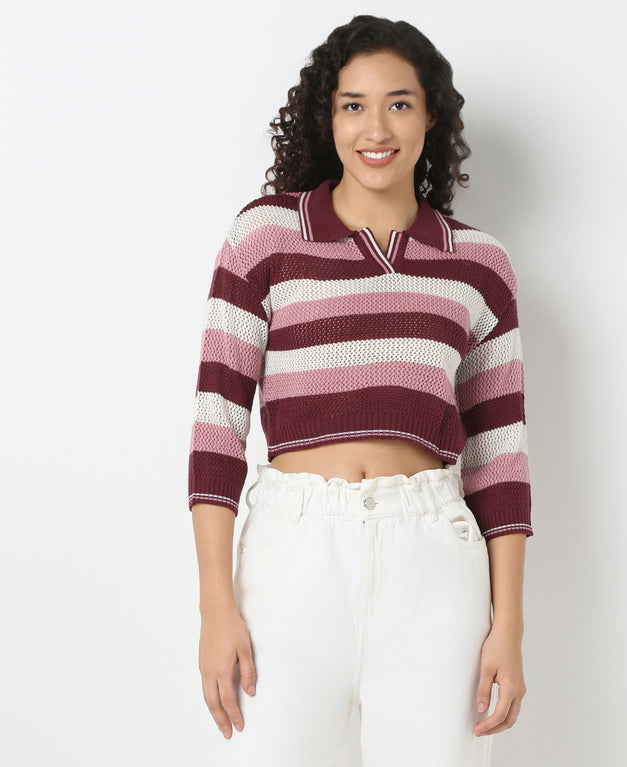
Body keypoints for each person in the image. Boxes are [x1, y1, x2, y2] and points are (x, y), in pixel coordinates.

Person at [188, 14, 533, 767]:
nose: (376, 128)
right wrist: (216, 604)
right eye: (353, 105)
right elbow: (217, 427)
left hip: (433, 572)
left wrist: (506, 626)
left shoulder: (479, 265)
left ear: (431, 116)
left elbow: (501, 461)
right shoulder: (265, 238)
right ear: (328, 116)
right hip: (290, 564)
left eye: (399, 103)